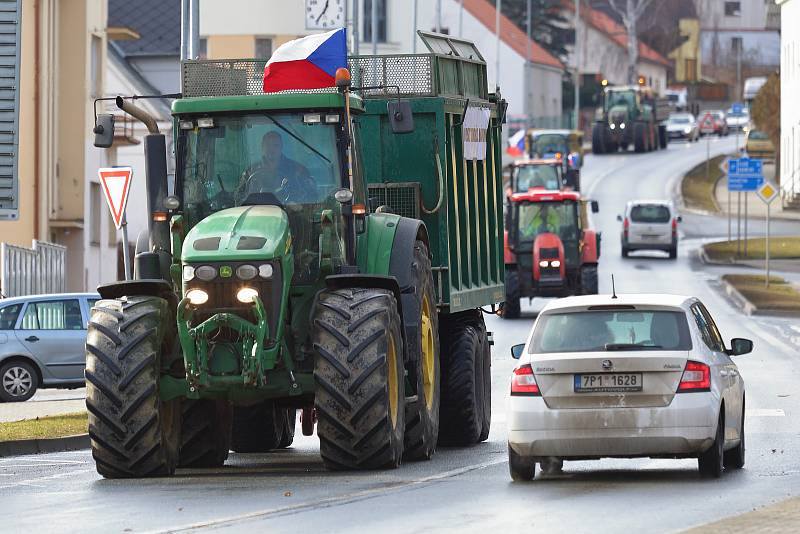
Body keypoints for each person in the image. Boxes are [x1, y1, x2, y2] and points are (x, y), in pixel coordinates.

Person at [238, 131, 315, 204]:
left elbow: (311, 196)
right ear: (262, 147)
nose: (271, 149)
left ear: (281, 147)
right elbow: (239, 198)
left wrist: (295, 205)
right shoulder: (250, 172)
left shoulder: (297, 171)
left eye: (275, 145)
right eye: (268, 145)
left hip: (290, 215)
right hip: (256, 215)